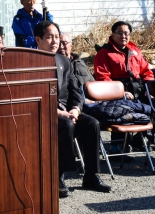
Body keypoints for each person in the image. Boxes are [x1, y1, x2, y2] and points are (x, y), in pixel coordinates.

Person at [34, 21, 111, 198]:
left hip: (66, 111)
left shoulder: (63, 60)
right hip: (42, 111)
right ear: (38, 39)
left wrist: (76, 109)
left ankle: (91, 176)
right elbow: (32, 94)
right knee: (66, 125)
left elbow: (75, 89)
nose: (54, 42)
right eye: (49, 37)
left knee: (92, 123)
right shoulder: (30, 61)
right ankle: (58, 177)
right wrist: (58, 112)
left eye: (56, 37)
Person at [93, 21, 155, 147]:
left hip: (138, 90)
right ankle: (117, 146)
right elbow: (103, 77)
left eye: (126, 33)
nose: (123, 36)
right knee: (123, 109)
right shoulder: (104, 53)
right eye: (120, 33)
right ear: (112, 35)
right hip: (118, 93)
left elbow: (146, 71)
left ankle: (140, 138)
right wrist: (120, 92)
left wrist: (149, 87)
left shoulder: (134, 51)